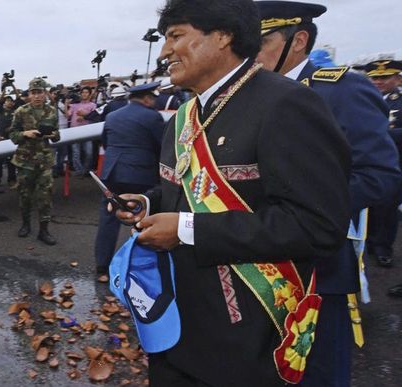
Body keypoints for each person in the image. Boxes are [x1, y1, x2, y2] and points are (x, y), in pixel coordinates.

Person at [114, 0, 350, 385]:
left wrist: (188, 230)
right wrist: (147, 203)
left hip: (248, 337)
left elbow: (317, 226)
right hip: (176, 323)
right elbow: (182, 191)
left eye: (176, 36)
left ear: (223, 36)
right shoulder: (181, 119)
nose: (165, 52)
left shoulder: (285, 104)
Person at [255, 2, 402, 386]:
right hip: (251, 262)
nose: (248, 54)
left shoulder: (341, 88)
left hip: (315, 268)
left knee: (315, 373)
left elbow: (380, 176)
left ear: (298, 40)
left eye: (260, 42)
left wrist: (302, 206)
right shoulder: (246, 93)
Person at [94, 81, 164, 275]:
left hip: (113, 172)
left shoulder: (112, 116)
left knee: (108, 219)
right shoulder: (153, 117)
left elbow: (106, 143)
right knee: (144, 218)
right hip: (141, 173)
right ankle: (146, 267)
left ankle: (102, 265)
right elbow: (162, 147)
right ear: (148, 98)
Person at [354, 59, 402, 268]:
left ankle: (383, 247)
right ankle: (367, 242)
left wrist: (379, 136)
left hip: (393, 162)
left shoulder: (398, 101)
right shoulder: (359, 97)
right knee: (367, 206)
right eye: (374, 77)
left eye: (384, 77)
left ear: (398, 78)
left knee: (387, 208)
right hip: (361, 161)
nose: (378, 81)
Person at [9, 78, 60, 245]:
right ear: (29, 94)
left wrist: (53, 135)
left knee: (45, 197)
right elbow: (13, 136)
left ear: (45, 93)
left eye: (40, 92)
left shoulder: (52, 111)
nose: (37, 96)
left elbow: (57, 135)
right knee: (25, 196)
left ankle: (44, 231)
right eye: (33, 93)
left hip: (45, 161)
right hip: (25, 161)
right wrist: (25, 134)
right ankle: (25, 224)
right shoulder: (21, 112)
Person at [67, 87, 97, 176]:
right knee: (76, 153)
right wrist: (66, 104)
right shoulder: (74, 105)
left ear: (90, 94)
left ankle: (85, 170)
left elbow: (94, 115)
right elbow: (67, 115)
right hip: (74, 130)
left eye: (86, 92)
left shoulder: (93, 105)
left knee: (89, 152)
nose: (84, 94)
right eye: (83, 92)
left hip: (87, 131)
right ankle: (79, 171)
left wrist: (84, 116)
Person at [0, 94, 19, 189]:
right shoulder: (1, 110)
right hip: (2, 139)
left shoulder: (15, 111)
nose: (9, 102)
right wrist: (4, 88)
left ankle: (12, 180)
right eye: (8, 100)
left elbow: (19, 99)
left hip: (12, 139)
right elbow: (0, 101)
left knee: (12, 162)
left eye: (11, 101)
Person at [49, 86, 70, 177]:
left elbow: (67, 116)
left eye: (57, 93)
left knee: (63, 152)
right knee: (53, 152)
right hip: (53, 132)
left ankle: (60, 168)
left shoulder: (61, 104)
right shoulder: (47, 105)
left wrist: (65, 104)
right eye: (54, 94)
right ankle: (53, 170)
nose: (56, 95)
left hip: (64, 130)